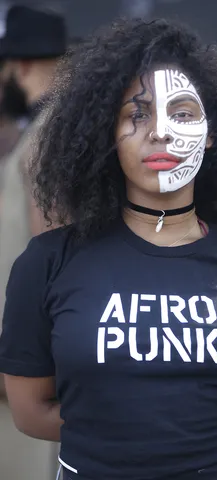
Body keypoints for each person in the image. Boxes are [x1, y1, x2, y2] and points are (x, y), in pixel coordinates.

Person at [0, 18, 217, 480]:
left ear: (212, 134)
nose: (161, 132)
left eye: (184, 113)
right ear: (107, 135)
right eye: (137, 114)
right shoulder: (48, 262)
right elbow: (31, 410)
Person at [0, 5, 67, 328]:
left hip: (29, 338)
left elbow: (52, 250)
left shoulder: (49, 132)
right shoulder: (46, 124)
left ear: (22, 66)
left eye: (5, 70)